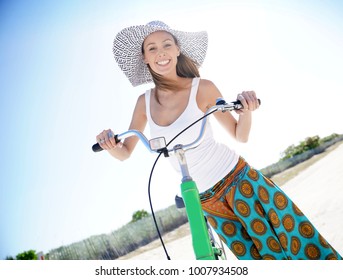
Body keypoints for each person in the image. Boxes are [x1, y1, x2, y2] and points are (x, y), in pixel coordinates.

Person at [96, 20, 342, 260]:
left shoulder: (202, 88)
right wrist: (110, 145)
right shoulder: (144, 103)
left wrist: (245, 111)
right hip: (204, 198)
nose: (161, 52)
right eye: (152, 48)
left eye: (167, 44)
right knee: (253, 260)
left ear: (178, 50)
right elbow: (125, 151)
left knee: (290, 243)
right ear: (145, 58)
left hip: (238, 180)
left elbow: (239, 135)